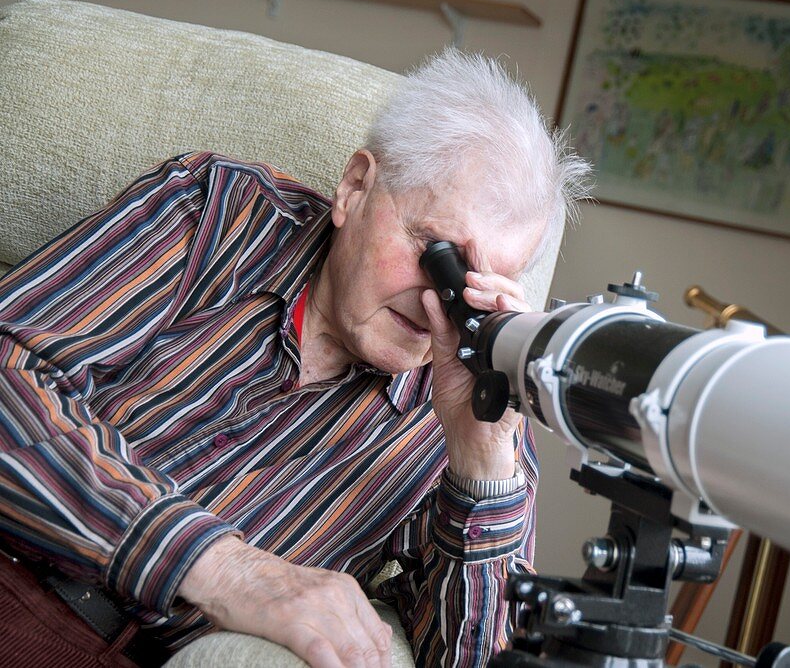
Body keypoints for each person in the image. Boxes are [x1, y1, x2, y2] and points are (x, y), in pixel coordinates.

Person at [0, 48, 591, 667]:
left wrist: (481, 462)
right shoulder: (215, 215)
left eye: (478, 289)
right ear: (356, 187)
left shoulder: (471, 413)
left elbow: (471, 661)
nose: (438, 307)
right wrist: (219, 568)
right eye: (436, 252)